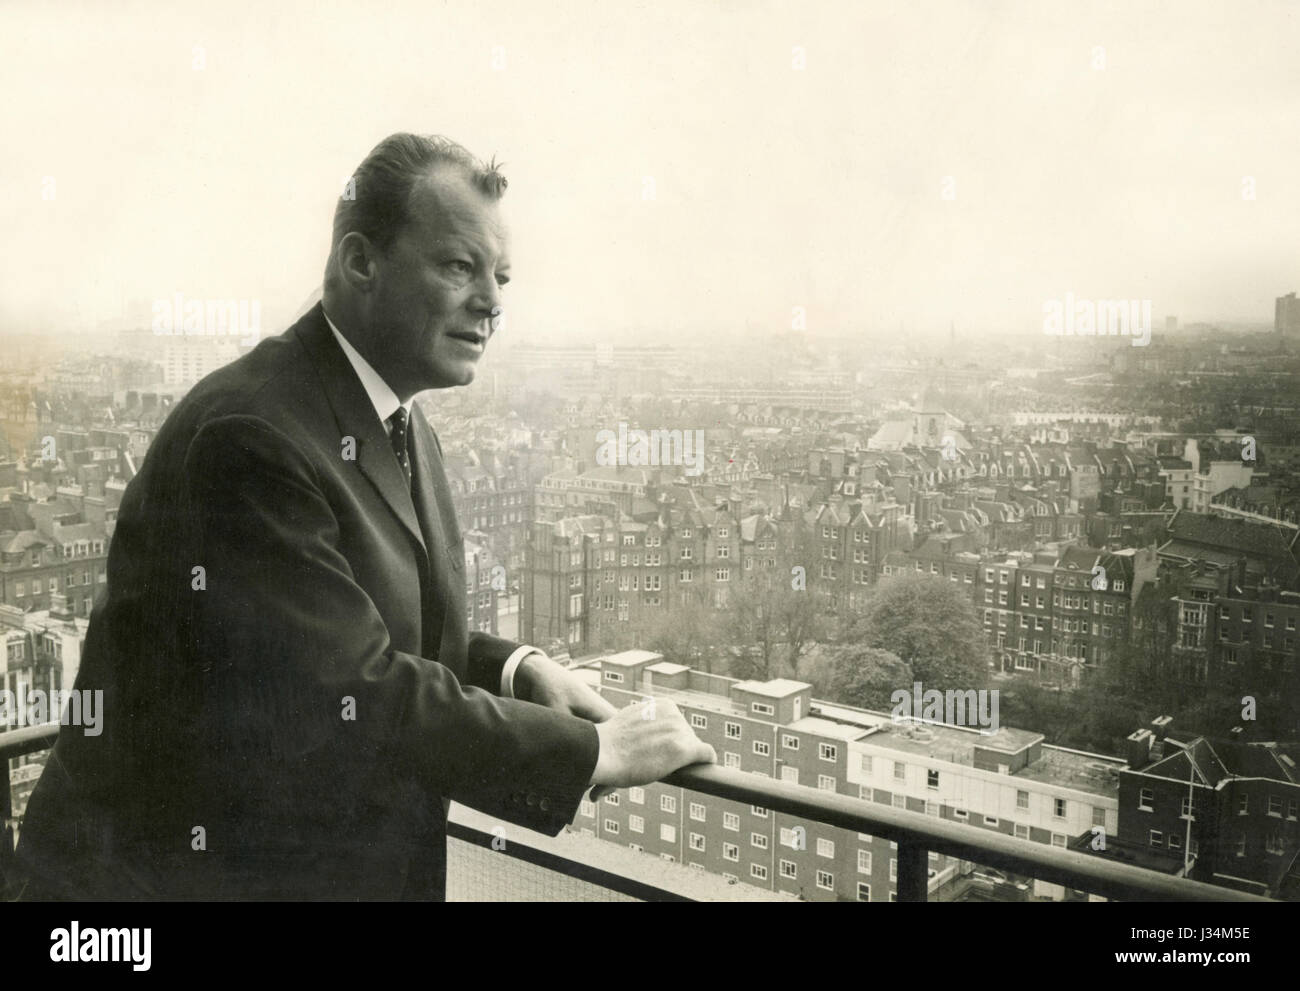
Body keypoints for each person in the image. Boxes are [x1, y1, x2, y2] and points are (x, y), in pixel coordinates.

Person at [13, 133, 715, 900]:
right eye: (458, 266)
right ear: (360, 263)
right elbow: (347, 689)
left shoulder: (400, 424)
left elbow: (368, 622)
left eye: (501, 276)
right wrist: (594, 752)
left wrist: (520, 668)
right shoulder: (251, 435)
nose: (492, 301)